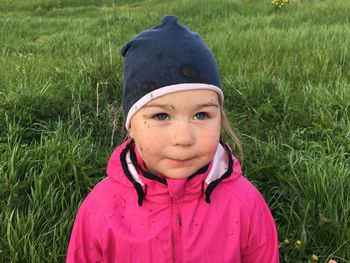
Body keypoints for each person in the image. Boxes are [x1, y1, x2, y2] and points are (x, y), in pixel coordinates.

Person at [66, 15, 279, 262]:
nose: (183, 138)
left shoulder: (245, 203)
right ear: (131, 127)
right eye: (160, 116)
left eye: (201, 114)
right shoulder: (101, 209)